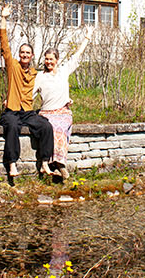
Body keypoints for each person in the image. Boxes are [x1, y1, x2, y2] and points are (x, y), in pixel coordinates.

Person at [0, 6, 54, 185]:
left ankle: (44, 162)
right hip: (12, 110)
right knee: (12, 126)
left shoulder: (36, 73)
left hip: (27, 111)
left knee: (46, 126)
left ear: (32, 56)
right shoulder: (13, 66)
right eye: (22, 53)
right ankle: (12, 164)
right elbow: (4, 44)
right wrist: (4, 19)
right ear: (19, 55)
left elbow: (51, 82)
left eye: (27, 53)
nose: (24, 55)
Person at [34, 26, 94, 184]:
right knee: (50, 128)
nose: (48, 62)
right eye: (46, 59)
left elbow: (77, 54)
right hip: (46, 113)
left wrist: (87, 37)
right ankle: (55, 165)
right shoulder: (40, 76)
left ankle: (59, 164)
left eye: (51, 59)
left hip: (63, 112)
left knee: (60, 129)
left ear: (57, 60)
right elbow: (29, 94)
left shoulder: (63, 71)